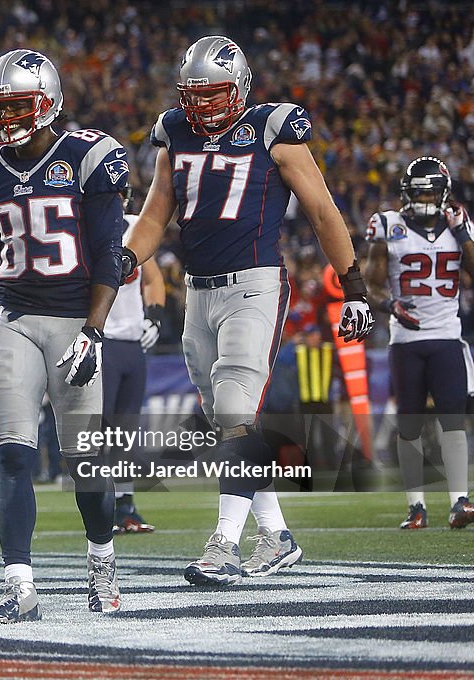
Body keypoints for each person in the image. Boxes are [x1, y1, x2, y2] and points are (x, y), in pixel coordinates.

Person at [123, 36, 374, 586]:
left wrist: (353, 286)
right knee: (229, 423)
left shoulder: (272, 128)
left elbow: (322, 211)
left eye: (214, 94)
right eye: (195, 94)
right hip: (199, 291)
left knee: (236, 409)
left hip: (254, 283)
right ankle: (278, 536)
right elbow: (154, 213)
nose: (203, 106)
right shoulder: (175, 130)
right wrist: (126, 257)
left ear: (239, 88)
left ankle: (224, 546)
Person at [0, 49, 128, 623]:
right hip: (12, 320)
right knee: (13, 456)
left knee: (85, 462)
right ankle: (20, 586)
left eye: (18, 106)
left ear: (49, 103)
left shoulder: (89, 156)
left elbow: (109, 254)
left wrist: (95, 331)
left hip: (74, 322)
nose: (6, 119)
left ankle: (101, 561)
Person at [365, 156, 474, 530]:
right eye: (418, 191)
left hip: (446, 335)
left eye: (430, 191)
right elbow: (372, 282)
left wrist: (462, 235)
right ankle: (416, 507)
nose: (425, 198)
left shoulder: (458, 224)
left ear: (443, 193)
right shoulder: (388, 225)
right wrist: (388, 304)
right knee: (408, 423)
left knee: (453, 420)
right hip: (406, 338)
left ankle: (460, 501)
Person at [104, 187, 165, 534]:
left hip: (130, 343)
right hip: (101, 340)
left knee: (125, 432)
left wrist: (154, 316)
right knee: (101, 430)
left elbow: (154, 278)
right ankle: (102, 505)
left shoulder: (133, 226)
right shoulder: (82, 229)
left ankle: (125, 507)